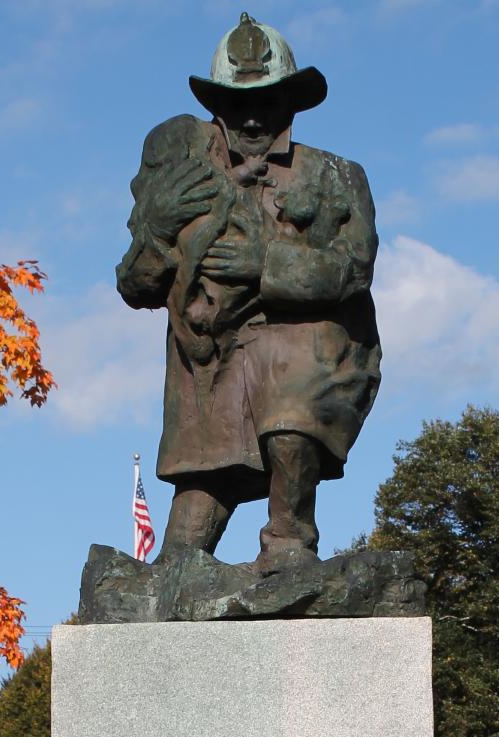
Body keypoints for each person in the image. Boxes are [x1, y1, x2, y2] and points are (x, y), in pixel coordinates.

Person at [116, 13, 381, 571]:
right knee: (186, 536)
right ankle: (178, 572)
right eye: (239, 103)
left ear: (292, 101)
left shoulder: (335, 174)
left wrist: (266, 264)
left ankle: (289, 541)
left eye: (267, 100)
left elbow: (353, 269)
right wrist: (157, 229)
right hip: (213, 365)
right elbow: (137, 287)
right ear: (218, 105)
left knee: (287, 411)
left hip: (308, 350)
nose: (253, 117)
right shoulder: (186, 173)